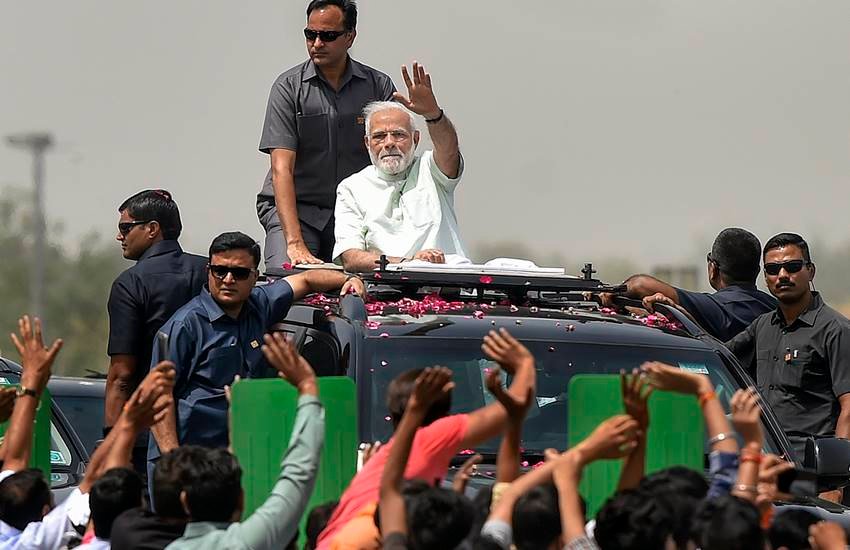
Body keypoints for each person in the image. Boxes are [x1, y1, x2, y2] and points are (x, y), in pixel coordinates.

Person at [148, 231, 364, 482]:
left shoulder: (259, 304)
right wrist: (175, 464)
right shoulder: (185, 326)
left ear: (254, 277)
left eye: (239, 273)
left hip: (245, 459)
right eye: (220, 270)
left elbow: (305, 280)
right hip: (190, 464)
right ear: (209, 270)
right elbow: (159, 398)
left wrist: (349, 279)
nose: (228, 280)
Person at [317, 329, 536, 550]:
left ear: (392, 415)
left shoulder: (383, 461)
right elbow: (507, 412)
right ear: (445, 415)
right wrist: (525, 364)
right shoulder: (428, 438)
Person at [0, 315, 175, 550]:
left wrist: (129, 424)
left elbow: (14, 458)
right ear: (44, 513)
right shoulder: (29, 544)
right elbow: (91, 477)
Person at [257, 0, 396, 268]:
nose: (317, 43)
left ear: (350, 36)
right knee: (287, 280)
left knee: (371, 287)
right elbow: (281, 169)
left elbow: (396, 158)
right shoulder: (288, 88)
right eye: (311, 34)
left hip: (356, 213)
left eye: (328, 36)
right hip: (297, 210)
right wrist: (295, 243)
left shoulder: (378, 86)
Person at [164, 333, 324, 550]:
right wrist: (307, 385)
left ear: (185, 502)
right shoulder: (247, 542)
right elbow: (299, 473)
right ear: (241, 500)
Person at [725, 233, 850, 468]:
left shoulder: (836, 330)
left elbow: (849, 410)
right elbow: (717, 355)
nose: (782, 275)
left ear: (810, 271)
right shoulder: (762, 326)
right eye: (773, 269)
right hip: (763, 469)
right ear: (765, 277)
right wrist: (671, 314)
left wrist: (838, 481)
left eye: (792, 266)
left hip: (813, 475)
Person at [106, 189, 207, 475]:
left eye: (125, 227)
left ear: (152, 229)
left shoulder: (130, 284)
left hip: (148, 433)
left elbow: (122, 375)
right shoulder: (211, 272)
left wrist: (113, 441)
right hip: (208, 424)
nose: (119, 236)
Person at [333, 62, 468, 272]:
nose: (389, 143)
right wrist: (410, 263)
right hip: (385, 291)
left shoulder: (430, 169)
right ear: (367, 143)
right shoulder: (351, 187)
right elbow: (351, 257)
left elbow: (449, 149)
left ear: (415, 138)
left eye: (398, 135)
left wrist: (433, 114)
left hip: (447, 287)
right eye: (379, 136)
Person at [604, 228, 776, 341]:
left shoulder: (718, 309)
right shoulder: (774, 309)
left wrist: (610, 294)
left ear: (712, 268)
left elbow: (640, 285)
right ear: (758, 270)